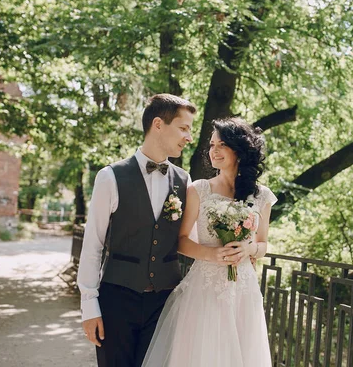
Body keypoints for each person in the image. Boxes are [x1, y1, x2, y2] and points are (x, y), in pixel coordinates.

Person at [77, 94, 235, 367]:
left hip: (165, 301)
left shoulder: (184, 180)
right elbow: (93, 245)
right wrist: (89, 306)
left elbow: (189, 238)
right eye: (183, 128)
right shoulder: (110, 176)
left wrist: (239, 245)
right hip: (117, 298)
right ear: (158, 124)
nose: (188, 137)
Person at [142, 117, 276, 367]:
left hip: (243, 290)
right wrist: (212, 255)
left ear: (239, 149)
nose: (213, 151)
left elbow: (263, 245)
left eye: (221, 144)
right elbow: (180, 241)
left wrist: (249, 248)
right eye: (211, 145)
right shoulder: (199, 189)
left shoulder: (262, 195)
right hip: (205, 289)